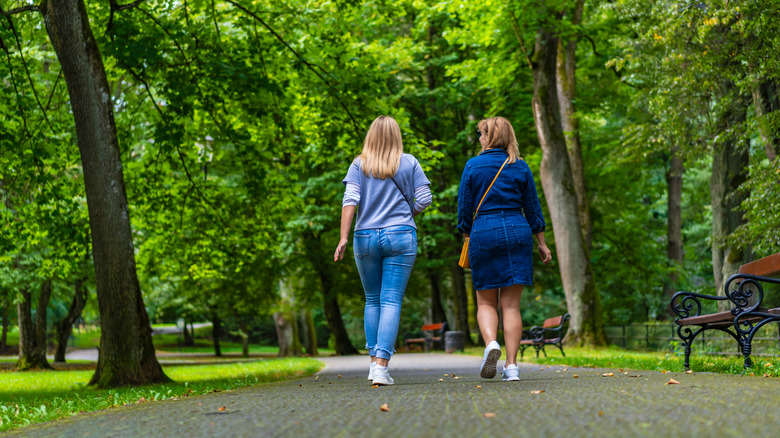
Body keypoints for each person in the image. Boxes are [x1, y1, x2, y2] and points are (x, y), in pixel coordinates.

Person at [334, 116, 432, 386]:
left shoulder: (359, 163)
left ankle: (372, 364)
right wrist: (407, 214)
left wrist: (343, 237)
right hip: (401, 235)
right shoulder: (410, 162)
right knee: (391, 300)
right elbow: (424, 198)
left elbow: (350, 199)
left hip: (364, 236)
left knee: (373, 299)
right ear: (396, 135)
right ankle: (381, 366)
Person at [457, 116, 552, 382]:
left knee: (486, 302)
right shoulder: (519, 167)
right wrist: (542, 243)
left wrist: (468, 233)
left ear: (489, 136)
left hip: (483, 231)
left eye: (480, 133)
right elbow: (533, 208)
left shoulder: (473, 166)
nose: (479, 137)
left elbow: (464, 210)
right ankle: (512, 367)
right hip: (517, 229)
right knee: (511, 306)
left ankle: (491, 345)